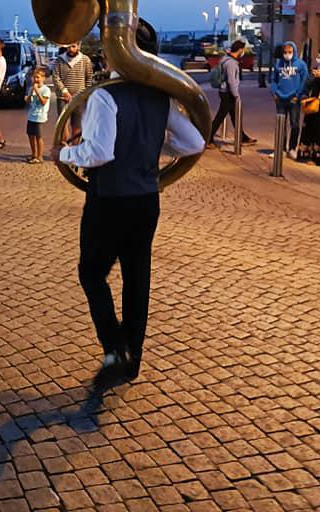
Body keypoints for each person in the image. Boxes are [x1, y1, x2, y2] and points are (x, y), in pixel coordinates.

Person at [50, 26, 205, 387]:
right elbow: (194, 143)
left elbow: (99, 153)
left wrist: (63, 154)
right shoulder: (161, 98)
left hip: (108, 200)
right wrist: (151, 148)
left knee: (91, 274)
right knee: (137, 279)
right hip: (146, 200)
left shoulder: (105, 95)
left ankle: (114, 349)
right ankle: (132, 359)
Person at [207, 40, 257, 147]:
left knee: (235, 116)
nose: (243, 52)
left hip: (225, 91)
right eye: (243, 49)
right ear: (240, 50)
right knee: (221, 116)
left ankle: (242, 137)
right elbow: (231, 81)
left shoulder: (225, 59)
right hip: (228, 93)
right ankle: (208, 137)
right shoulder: (231, 63)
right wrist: (236, 95)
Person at [269, 42, 309, 159]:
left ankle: (292, 148)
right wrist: (274, 92)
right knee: (281, 124)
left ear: (294, 51)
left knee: (294, 124)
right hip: (280, 98)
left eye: (289, 52)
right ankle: (280, 148)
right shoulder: (279, 63)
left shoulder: (301, 64)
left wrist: (299, 95)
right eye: (285, 52)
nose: (287, 54)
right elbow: (273, 79)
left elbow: (305, 80)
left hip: (294, 99)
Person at [52, 42, 94, 138]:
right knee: (62, 125)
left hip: (79, 98)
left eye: (73, 46)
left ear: (79, 46)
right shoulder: (59, 60)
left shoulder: (85, 60)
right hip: (63, 97)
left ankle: (75, 146)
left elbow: (89, 78)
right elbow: (55, 77)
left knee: (77, 125)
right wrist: (64, 91)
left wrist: (85, 95)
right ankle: (65, 145)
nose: (71, 49)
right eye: (69, 46)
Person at [25, 66, 52, 163]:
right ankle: (34, 154)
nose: (36, 79)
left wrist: (37, 91)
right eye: (34, 77)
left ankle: (40, 156)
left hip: (40, 117)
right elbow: (28, 101)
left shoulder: (46, 90)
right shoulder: (31, 88)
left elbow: (43, 102)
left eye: (38, 77)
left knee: (38, 137)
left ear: (43, 78)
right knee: (31, 136)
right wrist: (30, 93)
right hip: (31, 116)